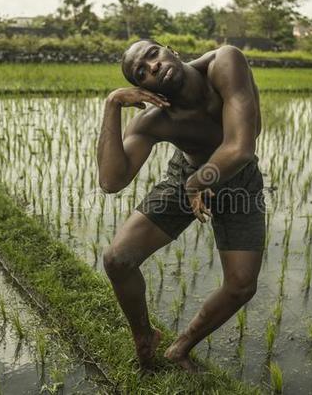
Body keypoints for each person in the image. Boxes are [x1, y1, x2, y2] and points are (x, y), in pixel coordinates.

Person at [97, 39, 265, 372]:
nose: (152, 67)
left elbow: (240, 148)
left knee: (241, 284)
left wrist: (197, 184)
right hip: (187, 176)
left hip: (237, 180)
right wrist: (112, 104)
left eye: (152, 55)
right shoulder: (155, 120)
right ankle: (145, 337)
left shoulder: (225, 62)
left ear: (170, 49)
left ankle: (181, 347)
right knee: (118, 259)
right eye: (140, 73)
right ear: (142, 89)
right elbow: (111, 181)